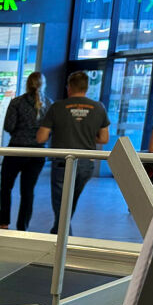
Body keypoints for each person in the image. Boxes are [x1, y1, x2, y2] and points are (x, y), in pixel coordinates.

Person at [36, 71, 109, 234]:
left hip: (63, 162)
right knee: (71, 200)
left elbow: (41, 137)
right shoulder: (98, 107)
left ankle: (63, 235)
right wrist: (87, 136)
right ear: (87, 87)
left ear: (69, 87)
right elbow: (104, 138)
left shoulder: (57, 107)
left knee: (60, 201)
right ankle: (59, 231)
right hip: (86, 162)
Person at [0, 72, 50, 231]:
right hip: (37, 153)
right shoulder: (49, 105)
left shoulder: (17, 102)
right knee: (28, 191)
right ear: (43, 84)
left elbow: (9, 126)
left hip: (16, 149)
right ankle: (22, 226)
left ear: (27, 84)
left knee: (6, 187)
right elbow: (50, 130)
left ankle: (4, 222)